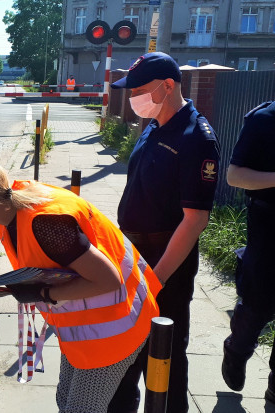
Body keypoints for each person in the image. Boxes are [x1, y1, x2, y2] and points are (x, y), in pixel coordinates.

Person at [0, 153, 162, 412]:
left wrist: (44, 293)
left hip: (115, 328)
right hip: (89, 328)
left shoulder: (46, 224)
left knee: (81, 409)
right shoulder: (8, 202)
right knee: (65, 400)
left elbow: (109, 280)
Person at [107, 52, 220, 412]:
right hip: (134, 257)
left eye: (139, 90)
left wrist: (155, 280)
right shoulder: (154, 126)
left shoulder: (196, 137)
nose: (133, 98)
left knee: (164, 356)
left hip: (165, 266)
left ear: (167, 86)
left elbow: (194, 220)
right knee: (125, 353)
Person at [221, 100, 275, 404]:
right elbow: (234, 175)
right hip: (268, 233)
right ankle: (236, 350)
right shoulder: (263, 119)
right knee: (257, 308)